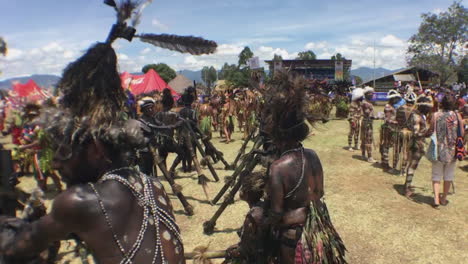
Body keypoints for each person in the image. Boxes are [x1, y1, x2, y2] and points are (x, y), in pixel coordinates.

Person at [0, 37, 184, 264]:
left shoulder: (79, 201)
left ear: (95, 149)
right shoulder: (152, 184)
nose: (57, 164)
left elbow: (13, 250)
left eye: (64, 151)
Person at [227, 73, 346, 264]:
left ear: (277, 134)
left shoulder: (278, 168)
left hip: (293, 237)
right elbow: (320, 192)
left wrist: (257, 222)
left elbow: (276, 214)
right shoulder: (313, 155)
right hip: (319, 228)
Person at [427, 93, 464, 208]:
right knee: (449, 175)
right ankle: (443, 199)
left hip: (438, 149)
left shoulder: (436, 115)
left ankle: (436, 199)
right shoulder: (457, 116)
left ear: (442, 103)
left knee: (436, 175)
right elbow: (462, 133)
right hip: (452, 150)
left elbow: (430, 130)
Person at [403, 96, 432, 198]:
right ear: (422, 107)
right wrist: (429, 131)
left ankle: (407, 185)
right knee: (412, 165)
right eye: (428, 107)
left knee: (413, 165)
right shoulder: (416, 116)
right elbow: (416, 133)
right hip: (416, 144)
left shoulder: (420, 115)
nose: (429, 109)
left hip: (418, 143)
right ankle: (407, 189)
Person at [380, 90, 401, 172]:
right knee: (386, 146)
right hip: (389, 128)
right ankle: (385, 164)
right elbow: (387, 119)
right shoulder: (388, 106)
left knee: (387, 145)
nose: (396, 100)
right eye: (395, 98)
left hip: (393, 128)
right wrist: (395, 122)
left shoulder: (392, 106)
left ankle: (384, 162)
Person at [360, 86, 376, 162]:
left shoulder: (367, 102)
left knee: (364, 138)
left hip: (366, 122)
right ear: (366, 94)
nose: (372, 94)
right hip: (367, 122)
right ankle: (369, 157)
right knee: (368, 139)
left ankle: (363, 155)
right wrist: (375, 117)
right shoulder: (366, 103)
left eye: (372, 93)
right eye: (370, 93)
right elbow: (367, 113)